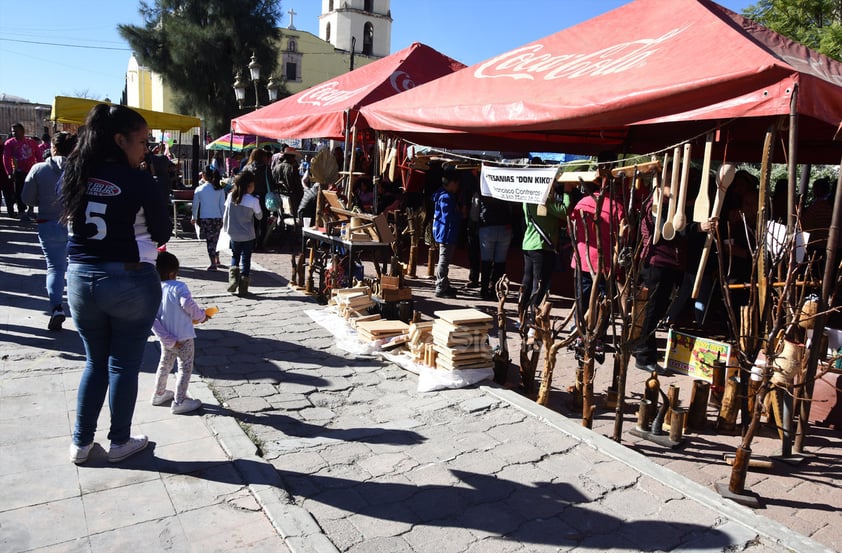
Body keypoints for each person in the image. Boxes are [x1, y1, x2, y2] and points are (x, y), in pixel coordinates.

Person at [62, 104, 172, 464]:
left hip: (80, 278)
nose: (146, 149)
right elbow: (163, 233)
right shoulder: (140, 180)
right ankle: (120, 441)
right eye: (142, 142)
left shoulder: (75, 173)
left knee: (94, 362)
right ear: (120, 140)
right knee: (123, 364)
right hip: (128, 278)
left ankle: (80, 443)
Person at [22, 131, 78, 330]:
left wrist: (41, 200)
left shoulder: (38, 169)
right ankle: (80, 310)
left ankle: (56, 308)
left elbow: (26, 198)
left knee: (55, 267)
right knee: (76, 268)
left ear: (52, 148)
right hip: (75, 224)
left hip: (47, 223)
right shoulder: (79, 170)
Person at [634, 178, 686, 373]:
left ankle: (643, 349)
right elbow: (668, 232)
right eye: (672, 184)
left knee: (655, 311)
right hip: (657, 263)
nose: (676, 189)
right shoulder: (655, 205)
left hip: (666, 263)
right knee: (652, 311)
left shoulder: (668, 205)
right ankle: (644, 356)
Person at [150, 251, 208, 414]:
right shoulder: (179, 287)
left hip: (166, 338)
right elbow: (188, 304)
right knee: (185, 368)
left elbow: (152, 319)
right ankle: (179, 401)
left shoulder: (154, 289)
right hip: (184, 338)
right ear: (173, 273)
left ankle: (158, 393)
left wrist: (167, 339)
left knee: (164, 365)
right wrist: (201, 316)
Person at [520, 185, 570, 322]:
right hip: (542, 246)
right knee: (539, 285)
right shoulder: (545, 201)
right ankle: (532, 318)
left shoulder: (527, 200)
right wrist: (567, 192)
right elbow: (565, 211)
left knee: (528, 281)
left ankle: (522, 314)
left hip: (529, 243)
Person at [223, 170, 262, 296]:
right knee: (246, 259)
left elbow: (225, 215)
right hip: (248, 235)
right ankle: (243, 288)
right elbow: (260, 216)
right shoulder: (253, 200)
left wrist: (225, 229)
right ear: (249, 185)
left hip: (233, 233)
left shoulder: (230, 197)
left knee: (235, 256)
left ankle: (233, 280)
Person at [432, 167, 462, 298]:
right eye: (457, 184)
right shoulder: (446, 197)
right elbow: (447, 216)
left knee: (445, 259)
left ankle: (445, 284)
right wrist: (459, 214)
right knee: (443, 260)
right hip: (446, 232)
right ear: (452, 183)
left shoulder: (440, 194)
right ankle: (440, 287)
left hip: (443, 231)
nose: (457, 187)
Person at [477, 191, 513, 300]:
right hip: (504, 227)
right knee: (500, 262)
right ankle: (496, 291)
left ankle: (484, 290)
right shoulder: (506, 187)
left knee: (486, 261)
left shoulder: (483, 188)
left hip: (487, 226)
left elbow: (476, 207)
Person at [3, 123, 41, 221]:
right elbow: (6, 158)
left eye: (16, 131)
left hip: (32, 171)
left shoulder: (31, 143)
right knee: (19, 192)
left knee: (32, 191)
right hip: (18, 172)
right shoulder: (9, 143)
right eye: (12, 131)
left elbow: (39, 156)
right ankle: (21, 211)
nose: (13, 133)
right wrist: (9, 172)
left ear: (22, 131)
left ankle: (31, 210)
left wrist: (41, 168)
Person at [191, 166, 226, 270]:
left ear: (204, 176)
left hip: (205, 218)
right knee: (217, 239)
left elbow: (195, 205)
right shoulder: (220, 190)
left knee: (210, 240)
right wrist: (224, 218)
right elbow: (222, 206)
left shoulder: (199, 189)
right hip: (218, 217)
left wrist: (194, 217)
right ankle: (217, 258)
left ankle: (213, 263)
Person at [243, 147, 275, 248]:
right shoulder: (266, 168)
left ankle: (251, 242)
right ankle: (260, 243)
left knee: (251, 221)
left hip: (249, 197)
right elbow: (271, 183)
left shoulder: (247, 167)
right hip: (263, 197)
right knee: (262, 220)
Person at [273, 146, 303, 225]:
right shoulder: (292, 168)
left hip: (280, 197)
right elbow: (298, 186)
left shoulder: (276, 168)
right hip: (292, 198)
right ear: (292, 158)